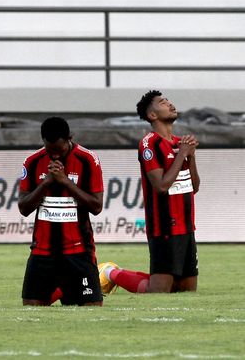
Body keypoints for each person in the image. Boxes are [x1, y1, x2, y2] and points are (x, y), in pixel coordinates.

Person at [99, 90, 200, 295]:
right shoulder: (149, 144)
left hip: (187, 226)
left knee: (186, 291)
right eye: (163, 102)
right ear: (152, 115)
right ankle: (110, 272)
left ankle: (114, 273)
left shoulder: (179, 143)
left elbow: (194, 187)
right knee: (158, 292)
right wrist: (182, 154)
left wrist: (191, 156)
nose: (170, 104)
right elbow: (161, 186)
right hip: (164, 227)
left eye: (169, 100)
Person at [18, 116, 104, 306]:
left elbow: (96, 206)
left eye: (60, 149)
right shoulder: (32, 162)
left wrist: (65, 181)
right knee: (31, 308)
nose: (55, 156)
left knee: (92, 309)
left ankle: (66, 288)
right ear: (43, 142)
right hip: (43, 251)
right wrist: (46, 183)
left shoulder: (88, 159)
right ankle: (61, 288)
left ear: (69, 138)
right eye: (51, 151)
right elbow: (23, 208)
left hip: (79, 250)